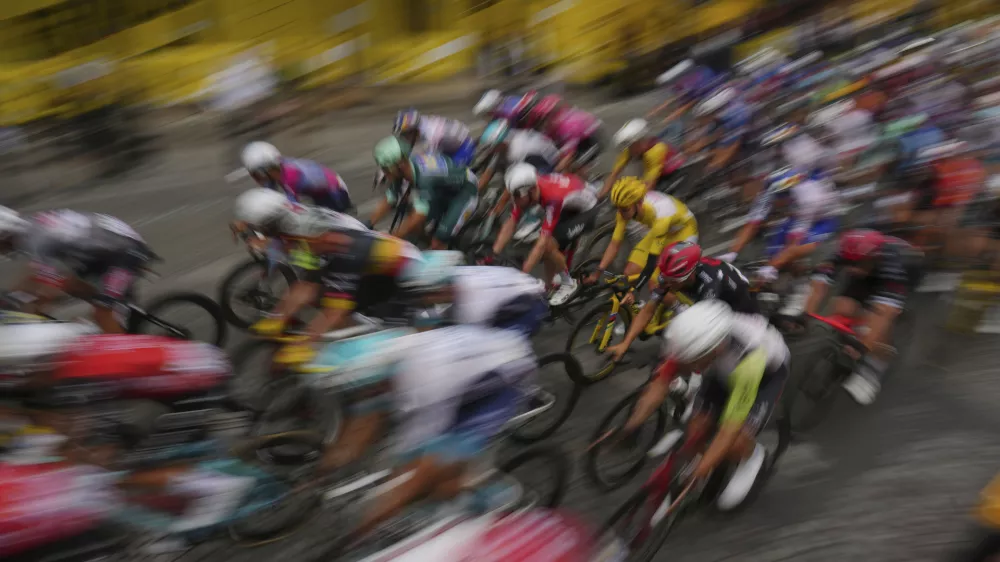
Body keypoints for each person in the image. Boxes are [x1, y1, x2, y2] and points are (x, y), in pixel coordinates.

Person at [342, 324, 538, 544]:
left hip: (501, 384)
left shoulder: (424, 379)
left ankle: (491, 501)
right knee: (420, 469)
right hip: (466, 377)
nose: (370, 392)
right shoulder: (392, 350)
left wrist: (393, 490)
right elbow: (379, 415)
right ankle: (450, 496)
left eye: (373, 386)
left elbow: (419, 439)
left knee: (435, 468)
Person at [608, 300, 789, 511]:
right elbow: (660, 384)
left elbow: (728, 430)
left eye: (695, 361)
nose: (690, 368)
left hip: (765, 375)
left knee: (735, 440)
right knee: (696, 427)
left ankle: (752, 456)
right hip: (722, 366)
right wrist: (632, 426)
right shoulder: (689, 339)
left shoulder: (749, 363)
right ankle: (707, 464)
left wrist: (700, 470)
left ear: (715, 348)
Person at [237, 188, 420, 365]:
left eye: (259, 229)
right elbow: (305, 285)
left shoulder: (330, 246)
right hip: (362, 253)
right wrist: (278, 318)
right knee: (319, 296)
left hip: (398, 273)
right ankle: (352, 337)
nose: (258, 234)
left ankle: (364, 354)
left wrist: (305, 342)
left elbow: (335, 309)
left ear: (268, 223)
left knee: (341, 309)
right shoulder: (296, 228)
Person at [802, 229, 923, 405]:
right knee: (842, 306)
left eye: (859, 263)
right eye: (849, 262)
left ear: (874, 257)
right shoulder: (839, 252)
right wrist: (805, 318)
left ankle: (874, 368)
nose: (853, 268)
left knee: (879, 325)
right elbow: (817, 287)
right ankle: (853, 334)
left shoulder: (893, 265)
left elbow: (884, 313)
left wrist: (863, 346)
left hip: (904, 273)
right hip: (871, 271)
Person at [0, 208, 152, 334]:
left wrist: (30, 310)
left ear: (4, 235)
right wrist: (9, 297)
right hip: (104, 251)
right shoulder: (30, 231)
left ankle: (126, 355)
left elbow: (49, 288)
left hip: (124, 253)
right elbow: (39, 275)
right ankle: (114, 315)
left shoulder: (36, 241)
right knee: (68, 283)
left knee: (102, 312)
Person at [604, 241, 759, 362]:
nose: (666, 283)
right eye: (665, 278)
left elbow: (707, 331)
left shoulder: (710, 285)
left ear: (689, 276)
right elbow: (648, 310)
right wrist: (625, 344)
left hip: (738, 307)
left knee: (722, 355)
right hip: (705, 298)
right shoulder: (673, 278)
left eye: (672, 280)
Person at [723, 149, 840, 289]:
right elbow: (751, 225)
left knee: (788, 254)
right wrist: (731, 253)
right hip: (797, 215)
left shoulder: (809, 198)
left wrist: (772, 267)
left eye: (779, 200)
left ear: (789, 196)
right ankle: (776, 280)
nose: (775, 204)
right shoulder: (768, 192)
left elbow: (793, 244)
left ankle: (801, 284)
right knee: (773, 255)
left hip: (823, 221)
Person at [490, 164, 599, 305]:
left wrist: (522, 276)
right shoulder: (527, 189)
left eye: (517, 196)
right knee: (548, 245)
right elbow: (511, 223)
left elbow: (541, 245)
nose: (515, 200)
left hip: (587, 210)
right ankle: (550, 287)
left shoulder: (551, 198)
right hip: (571, 201)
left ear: (531, 190)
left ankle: (568, 283)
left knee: (547, 245)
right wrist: (492, 254)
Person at [587, 177, 697, 299]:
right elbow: (614, 244)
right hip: (661, 232)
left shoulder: (661, 215)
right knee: (629, 272)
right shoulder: (625, 208)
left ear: (638, 203)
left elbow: (650, 264)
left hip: (684, 232)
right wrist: (598, 272)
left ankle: (678, 308)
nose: (620, 214)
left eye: (624, 209)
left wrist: (634, 290)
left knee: (654, 285)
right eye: (618, 208)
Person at [370, 136, 479, 250]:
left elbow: (419, 216)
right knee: (416, 227)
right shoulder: (404, 168)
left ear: (400, 165)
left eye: (386, 169)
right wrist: (368, 224)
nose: (385, 173)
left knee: (438, 240)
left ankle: (443, 254)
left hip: (465, 192)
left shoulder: (425, 178)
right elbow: (390, 198)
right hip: (444, 189)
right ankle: (429, 245)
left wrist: (393, 238)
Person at [241, 141, 352, 213]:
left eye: (256, 175)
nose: (257, 179)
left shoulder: (290, 175)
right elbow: (269, 196)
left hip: (334, 192)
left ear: (265, 170)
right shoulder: (276, 169)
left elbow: (294, 209)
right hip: (320, 192)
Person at [599, 118, 685, 199]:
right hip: (652, 167)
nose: (630, 149)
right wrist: (600, 196)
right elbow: (613, 175)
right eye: (629, 146)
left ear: (641, 141)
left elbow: (649, 185)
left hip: (670, 171)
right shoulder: (630, 149)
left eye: (633, 145)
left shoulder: (655, 152)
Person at [686, 86, 750, 174]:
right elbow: (708, 128)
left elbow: (719, 134)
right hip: (722, 121)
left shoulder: (734, 114)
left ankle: (713, 166)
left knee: (723, 145)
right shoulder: (720, 109)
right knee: (702, 139)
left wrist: (699, 146)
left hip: (733, 133)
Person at [393, 109, 477, 168]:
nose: (403, 137)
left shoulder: (430, 135)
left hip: (463, 148)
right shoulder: (421, 123)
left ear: (414, 130)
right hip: (450, 141)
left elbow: (429, 162)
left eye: (405, 134)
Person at [544, 105, 604, 174]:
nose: (546, 126)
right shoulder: (554, 124)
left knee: (574, 168)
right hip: (579, 136)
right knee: (562, 163)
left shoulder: (566, 127)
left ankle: (587, 180)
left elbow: (571, 153)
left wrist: (557, 169)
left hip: (592, 139)